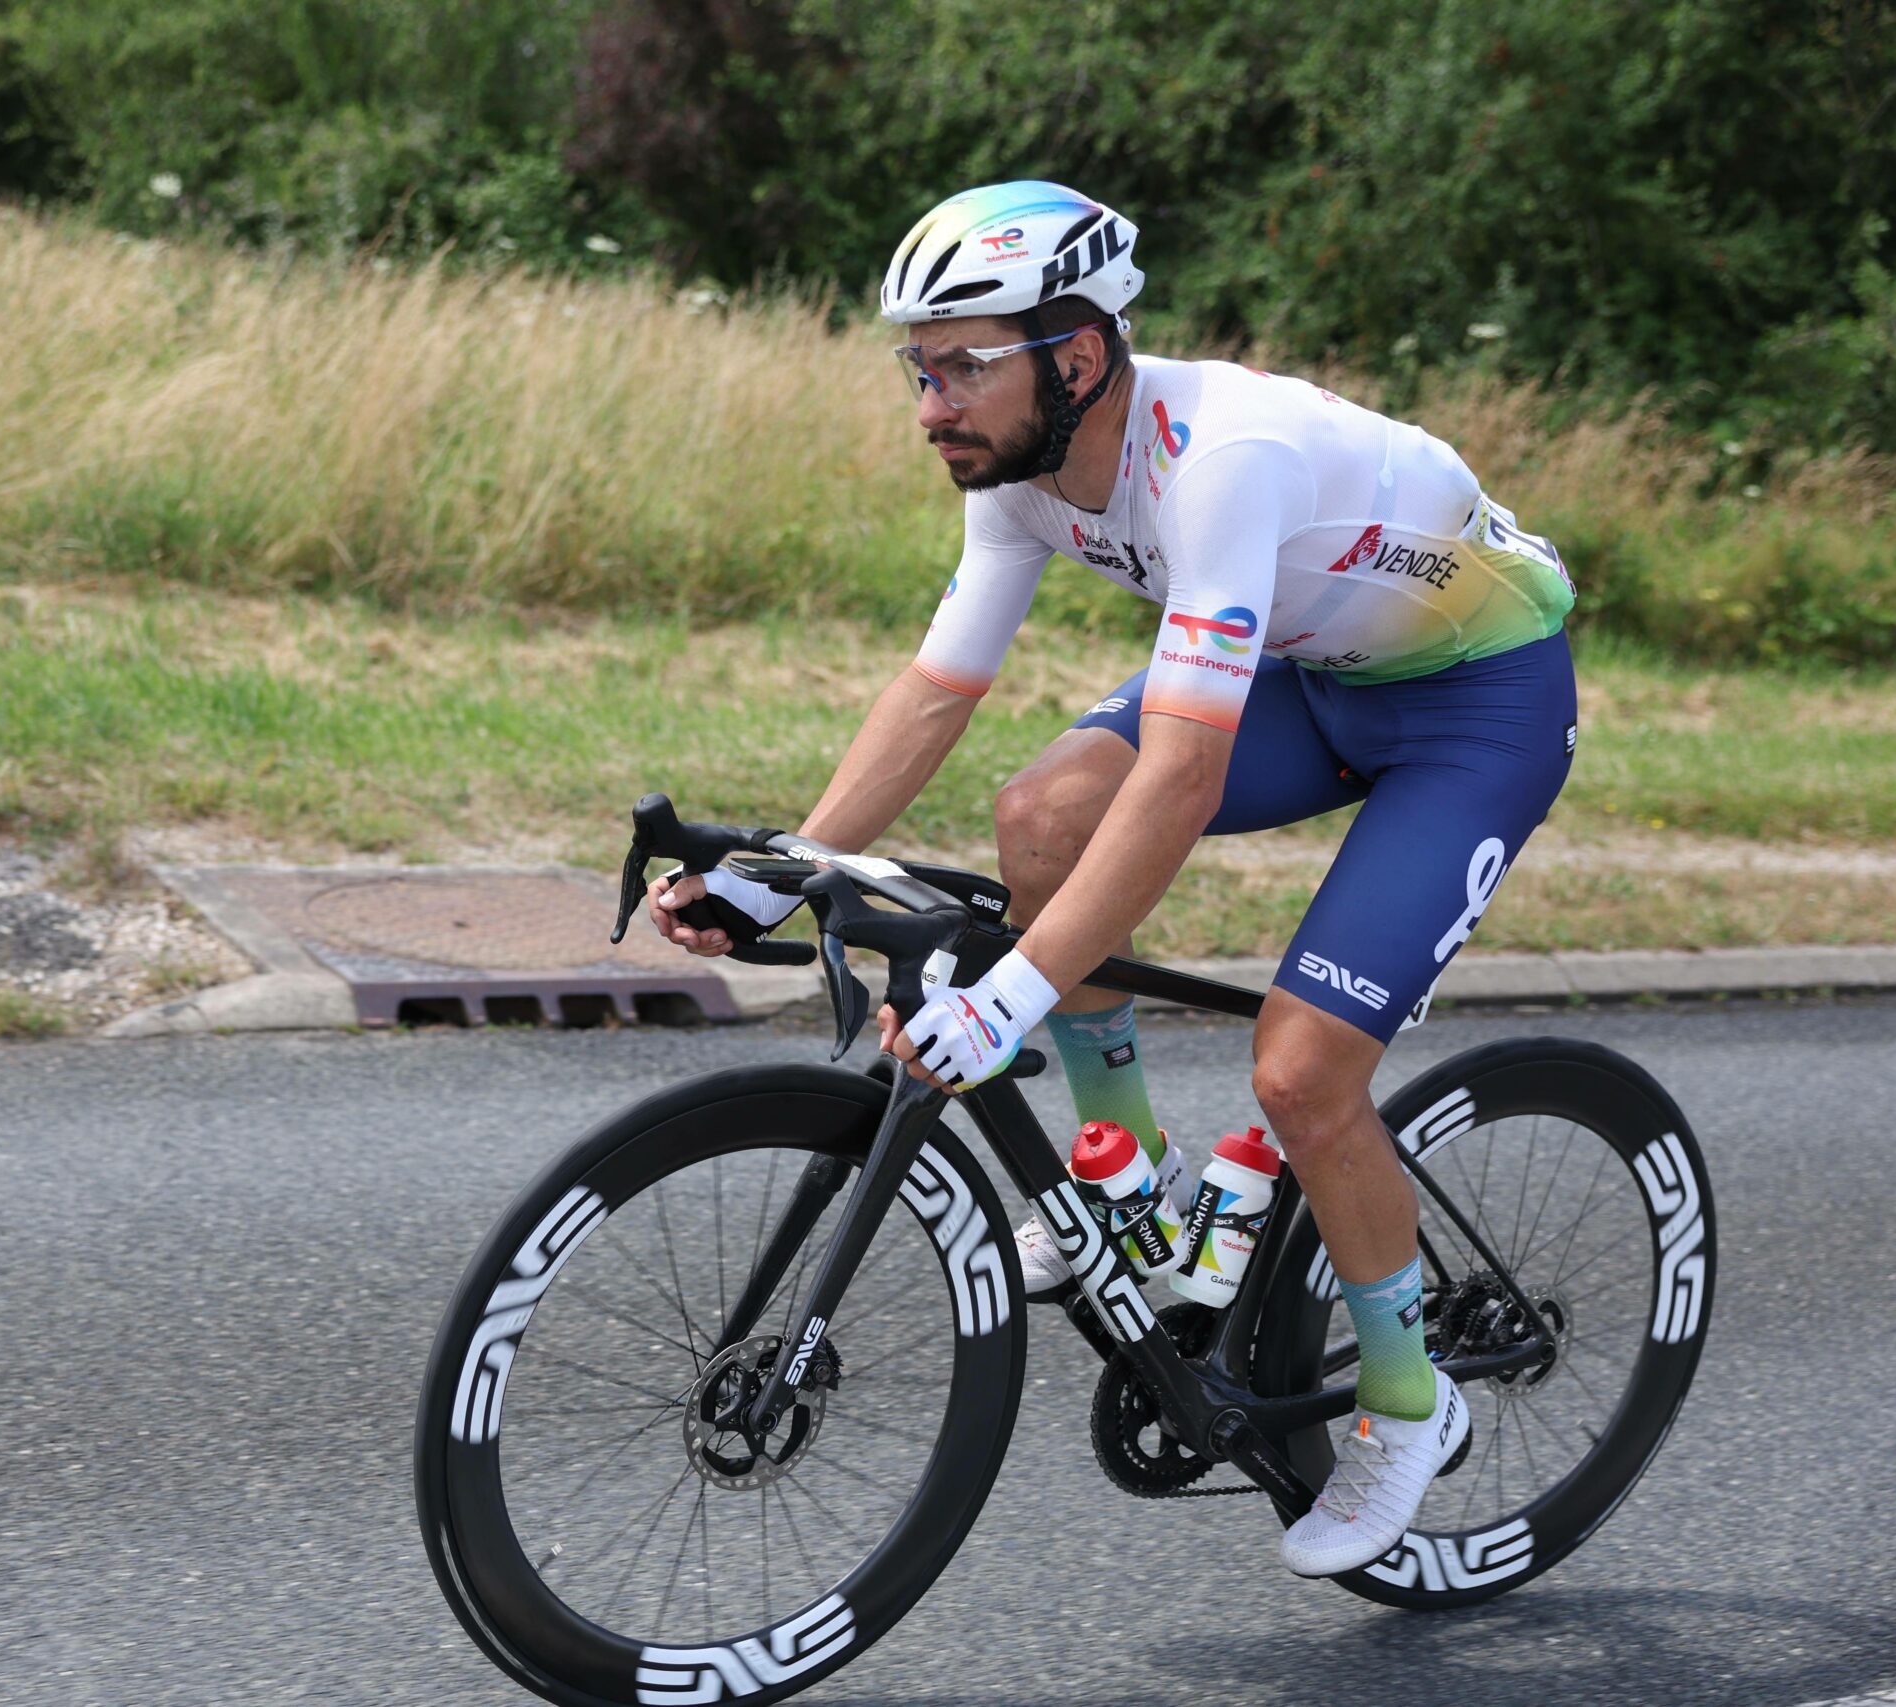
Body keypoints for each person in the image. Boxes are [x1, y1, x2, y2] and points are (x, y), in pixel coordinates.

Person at [646, 180, 1580, 1577]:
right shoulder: (1020, 473)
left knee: (1301, 1077)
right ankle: (1123, 1181)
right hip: (1313, 673)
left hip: (1473, 709)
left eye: (963, 364)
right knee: (1039, 817)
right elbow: (937, 691)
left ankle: (1407, 1403)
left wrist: (1012, 996)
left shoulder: (1224, 460)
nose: (929, 403)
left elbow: (1183, 777)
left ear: (1076, 354)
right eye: (918, 366)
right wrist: (786, 869)